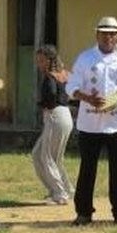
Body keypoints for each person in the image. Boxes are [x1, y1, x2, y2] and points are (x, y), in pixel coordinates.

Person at [66, 16, 117, 226]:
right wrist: (87, 98)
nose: (108, 37)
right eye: (104, 33)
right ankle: (83, 212)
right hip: (90, 123)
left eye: (112, 34)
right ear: (97, 35)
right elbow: (71, 86)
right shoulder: (85, 58)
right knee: (87, 169)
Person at [32, 45, 74, 205]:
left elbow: (50, 98)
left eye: (42, 61)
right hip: (65, 115)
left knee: (47, 157)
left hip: (55, 116)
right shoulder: (65, 74)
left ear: (50, 61)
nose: (39, 64)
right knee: (40, 154)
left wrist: (40, 103)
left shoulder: (50, 77)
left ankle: (60, 193)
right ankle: (64, 189)